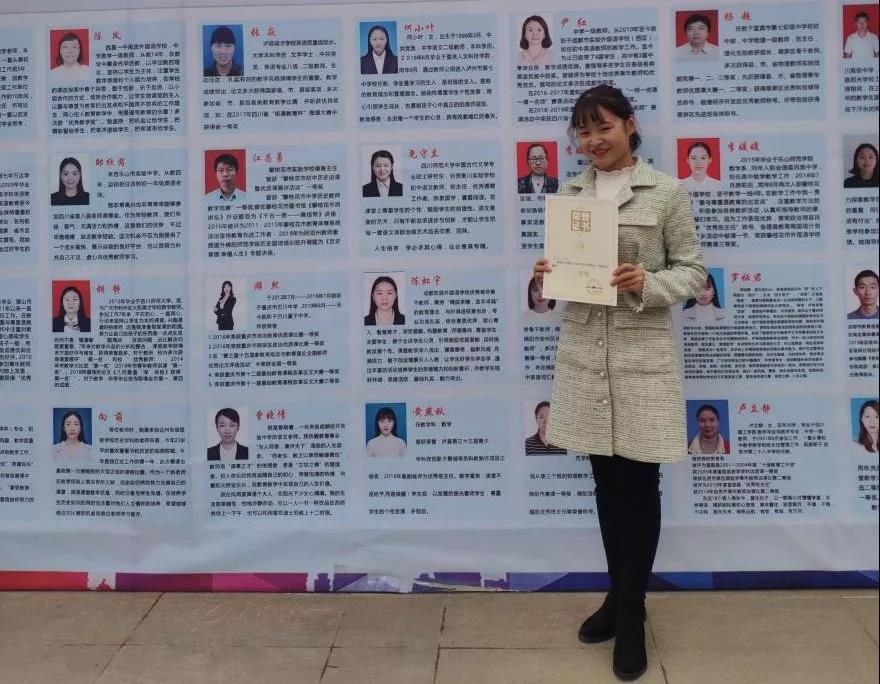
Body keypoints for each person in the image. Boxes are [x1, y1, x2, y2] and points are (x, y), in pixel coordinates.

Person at [533, 85, 705, 680]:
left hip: (642, 355)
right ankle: (617, 594)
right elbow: (565, 276)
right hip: (585, 354)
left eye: (602, 127)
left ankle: (632, 612)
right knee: (606, 486)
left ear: (630, 125)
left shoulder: (666, 191)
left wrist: (646, 283)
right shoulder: (571, 194)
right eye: (582, 132)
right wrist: (548, 272)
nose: (593, 140)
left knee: (639, 486)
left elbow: (692, 271)